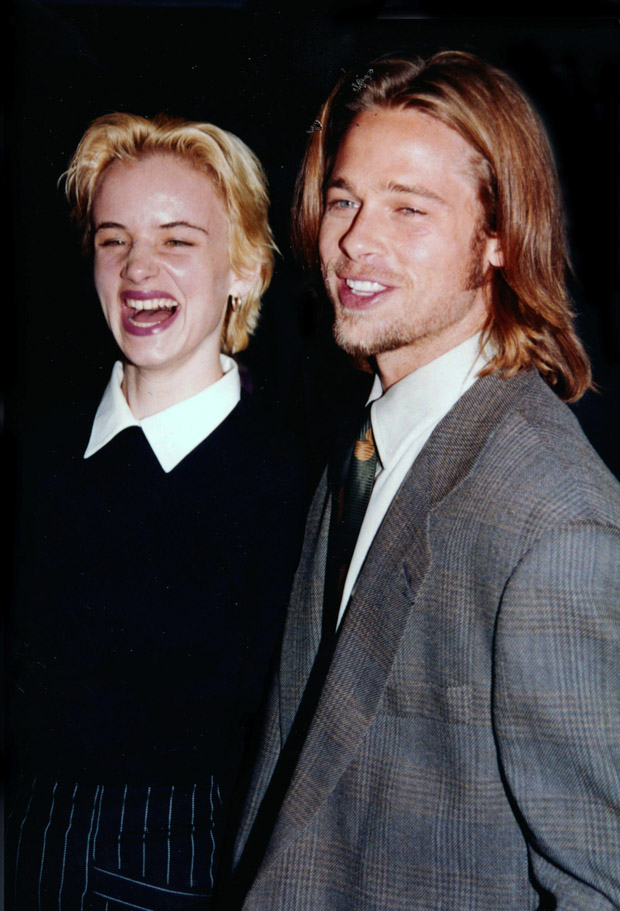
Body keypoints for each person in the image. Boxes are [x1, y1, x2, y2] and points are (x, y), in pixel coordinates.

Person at [224, 52, 620, 910]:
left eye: (409, 209)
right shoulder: (368, 441)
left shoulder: (556, 527)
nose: (356, 240)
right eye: (344, 199)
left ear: (498, 240)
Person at [6, 113, 305, 910]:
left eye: (177, 240)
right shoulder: (35, 452)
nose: (139, 270)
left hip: (174, 879)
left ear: (244, 266)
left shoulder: (288, 486)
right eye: (114, 240)